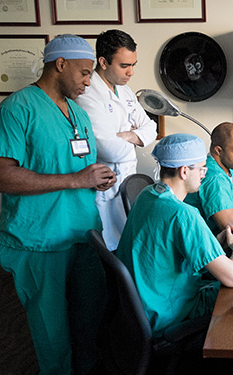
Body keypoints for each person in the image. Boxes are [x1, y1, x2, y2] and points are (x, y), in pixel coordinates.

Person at [0, 34, 115, 375]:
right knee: (51, 329)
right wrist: (76, 180)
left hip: (82, 234)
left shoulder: (77, 113)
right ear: (60, 65)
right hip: (39, 240)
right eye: (85, 73)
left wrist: (97, 177)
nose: (89, 81)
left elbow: (76, 164)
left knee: (89, 319)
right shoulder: (16, 110)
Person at [115, 133, 233, 337]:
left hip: (140, 308)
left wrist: (216, 242)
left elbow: (167, 246)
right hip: (168, 315)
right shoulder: (183, 214)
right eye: (202, 168)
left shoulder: (147, 195)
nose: (204, 173)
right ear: (184, 171)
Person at [75, 29, 158, 251]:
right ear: (103, 62)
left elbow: (152, 127)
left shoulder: (126, 91)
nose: (131, 72)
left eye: (134, 65)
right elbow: (110, 150)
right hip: (104, 188)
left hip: (127, 181)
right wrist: (136, 139)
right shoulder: (88, 94)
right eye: (124, 66)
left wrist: (128, 135)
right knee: (107, 250)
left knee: (126, 246)